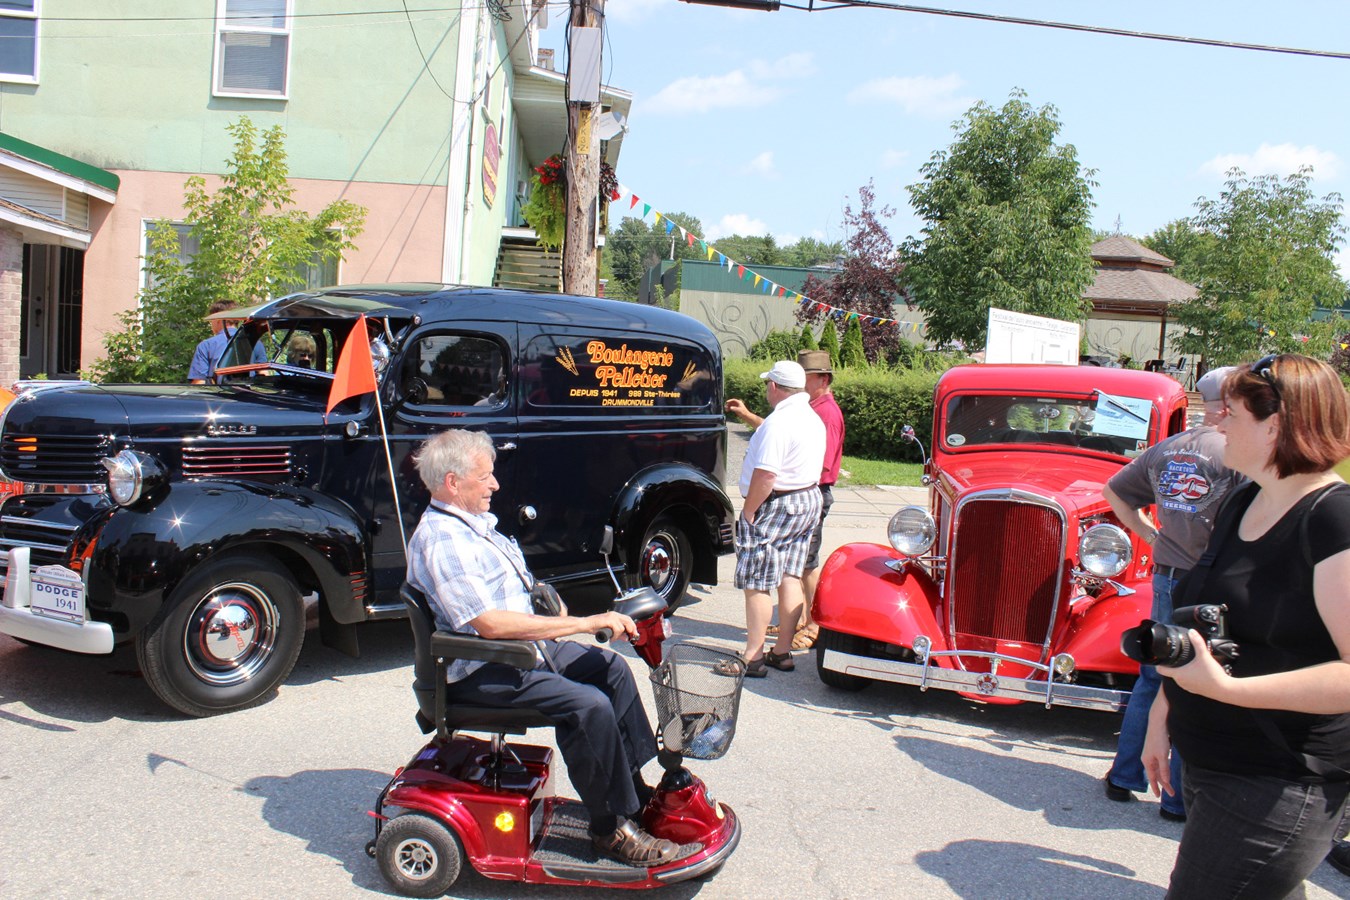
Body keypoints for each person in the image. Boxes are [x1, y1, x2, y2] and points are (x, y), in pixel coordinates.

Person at [404, 429, 679, 867]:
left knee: (612, 671)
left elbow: (515, 587)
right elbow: (489, 625)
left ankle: (632, 791)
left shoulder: (473, 525)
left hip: (520, 651)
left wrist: (547, 601)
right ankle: (610, 827)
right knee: (587, 706)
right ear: (453, 482)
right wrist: (583, 623)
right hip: (482, 668)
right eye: (485, 477)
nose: (495, 485)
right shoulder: (444, 540)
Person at [1141, 354, 1350, 898]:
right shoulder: (1242, 500)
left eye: (1230, 413)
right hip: (1213, 763)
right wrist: (1163, 713)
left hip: (1280, 779)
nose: (1216, 424)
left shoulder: (1335, 519)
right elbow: (1202, 626)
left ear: (1275, 425)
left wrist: (1228, 691)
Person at [1102, 366, 1243, 822]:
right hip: (1209, 581)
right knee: (1194, 680)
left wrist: (1150, 534)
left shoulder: (1167, 449)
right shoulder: (1236, 453)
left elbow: (1114, 491)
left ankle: (1124, 776)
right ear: (1230, 405)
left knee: (1153, 676)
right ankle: (1176, 798)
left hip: (1166, 574)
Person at [728, 350, 845, 651]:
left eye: (767, 384)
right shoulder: (811, 416)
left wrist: (749, 511)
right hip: (805, 497)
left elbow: (767, 474)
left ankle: (753, 655)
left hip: (779, 501)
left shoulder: (780, 422)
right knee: (790, 575)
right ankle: (782, 651)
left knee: (757, 583)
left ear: (774, 386)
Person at [188, 299, 242, 384]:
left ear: (218, 320)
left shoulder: (206, 345)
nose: (211, 325)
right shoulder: (255, 343)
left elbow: (199, 383)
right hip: (249, 392)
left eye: (211, 320)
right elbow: (263, 374)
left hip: (219, 391)